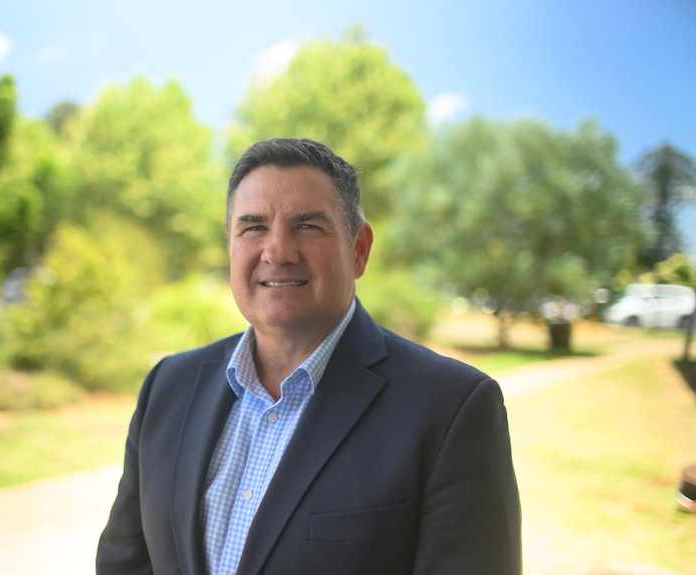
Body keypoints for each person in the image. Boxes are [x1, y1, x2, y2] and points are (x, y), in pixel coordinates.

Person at [96, 137, 522, 575]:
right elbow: (124, 564)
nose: (277, 251)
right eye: (253, 227)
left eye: (308, 226)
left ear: (359, 250)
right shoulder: (168, 386)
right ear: (230, 244)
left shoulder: (451, 409)